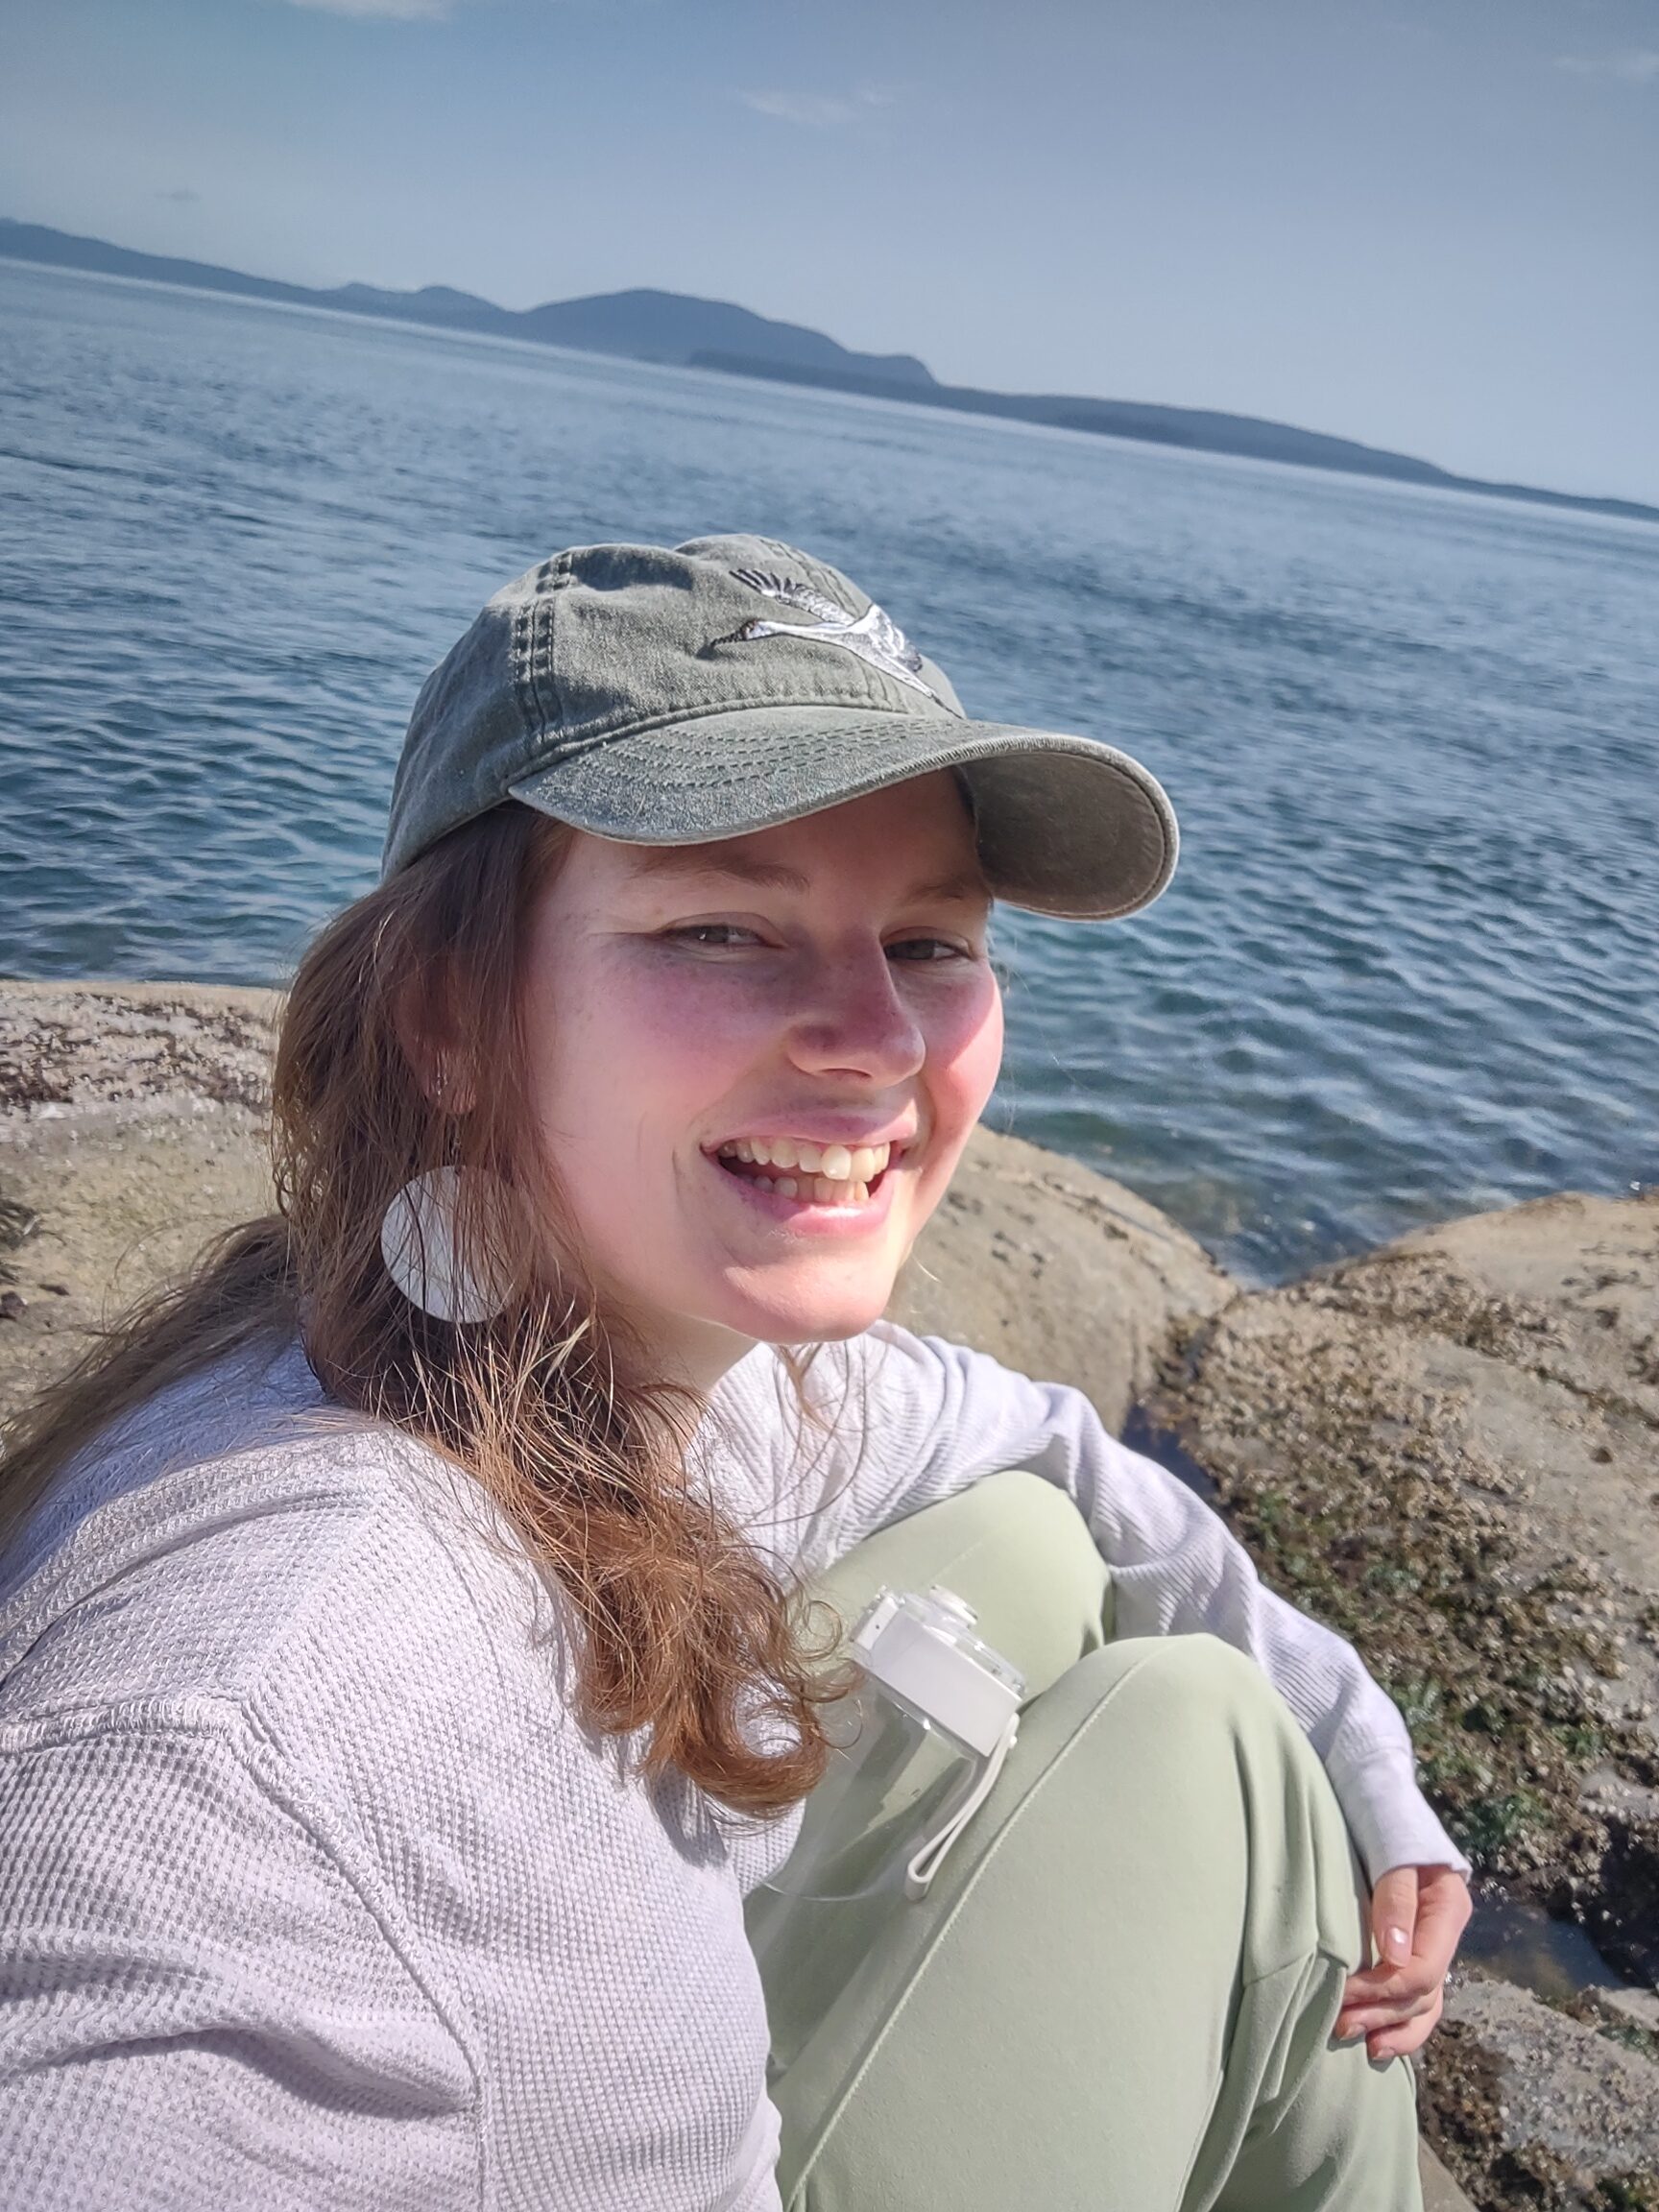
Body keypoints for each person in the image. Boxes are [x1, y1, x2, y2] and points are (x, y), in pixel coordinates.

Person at [0, 535, 1470, 2211]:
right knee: (1209, 1737)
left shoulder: (685, 1371)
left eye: (932, 942)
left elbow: (1046, 1439)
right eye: (721, 929)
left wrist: (1373, 1763)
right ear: (446, 1022)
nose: (882, 1041)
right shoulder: (264, 1702)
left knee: (1038, 1553)